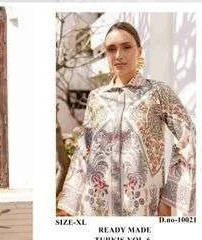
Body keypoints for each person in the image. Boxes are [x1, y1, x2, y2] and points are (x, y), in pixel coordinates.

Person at [57, 20, 195, 217]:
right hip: (96, 205)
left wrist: (169, 197)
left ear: (139, 50)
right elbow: (83, 151)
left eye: (126, 47)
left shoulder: (158, 92)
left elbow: (188, 139)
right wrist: (69, 204)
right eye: (111, 49)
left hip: (142, 207)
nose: (118, 55)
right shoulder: (96, 97)